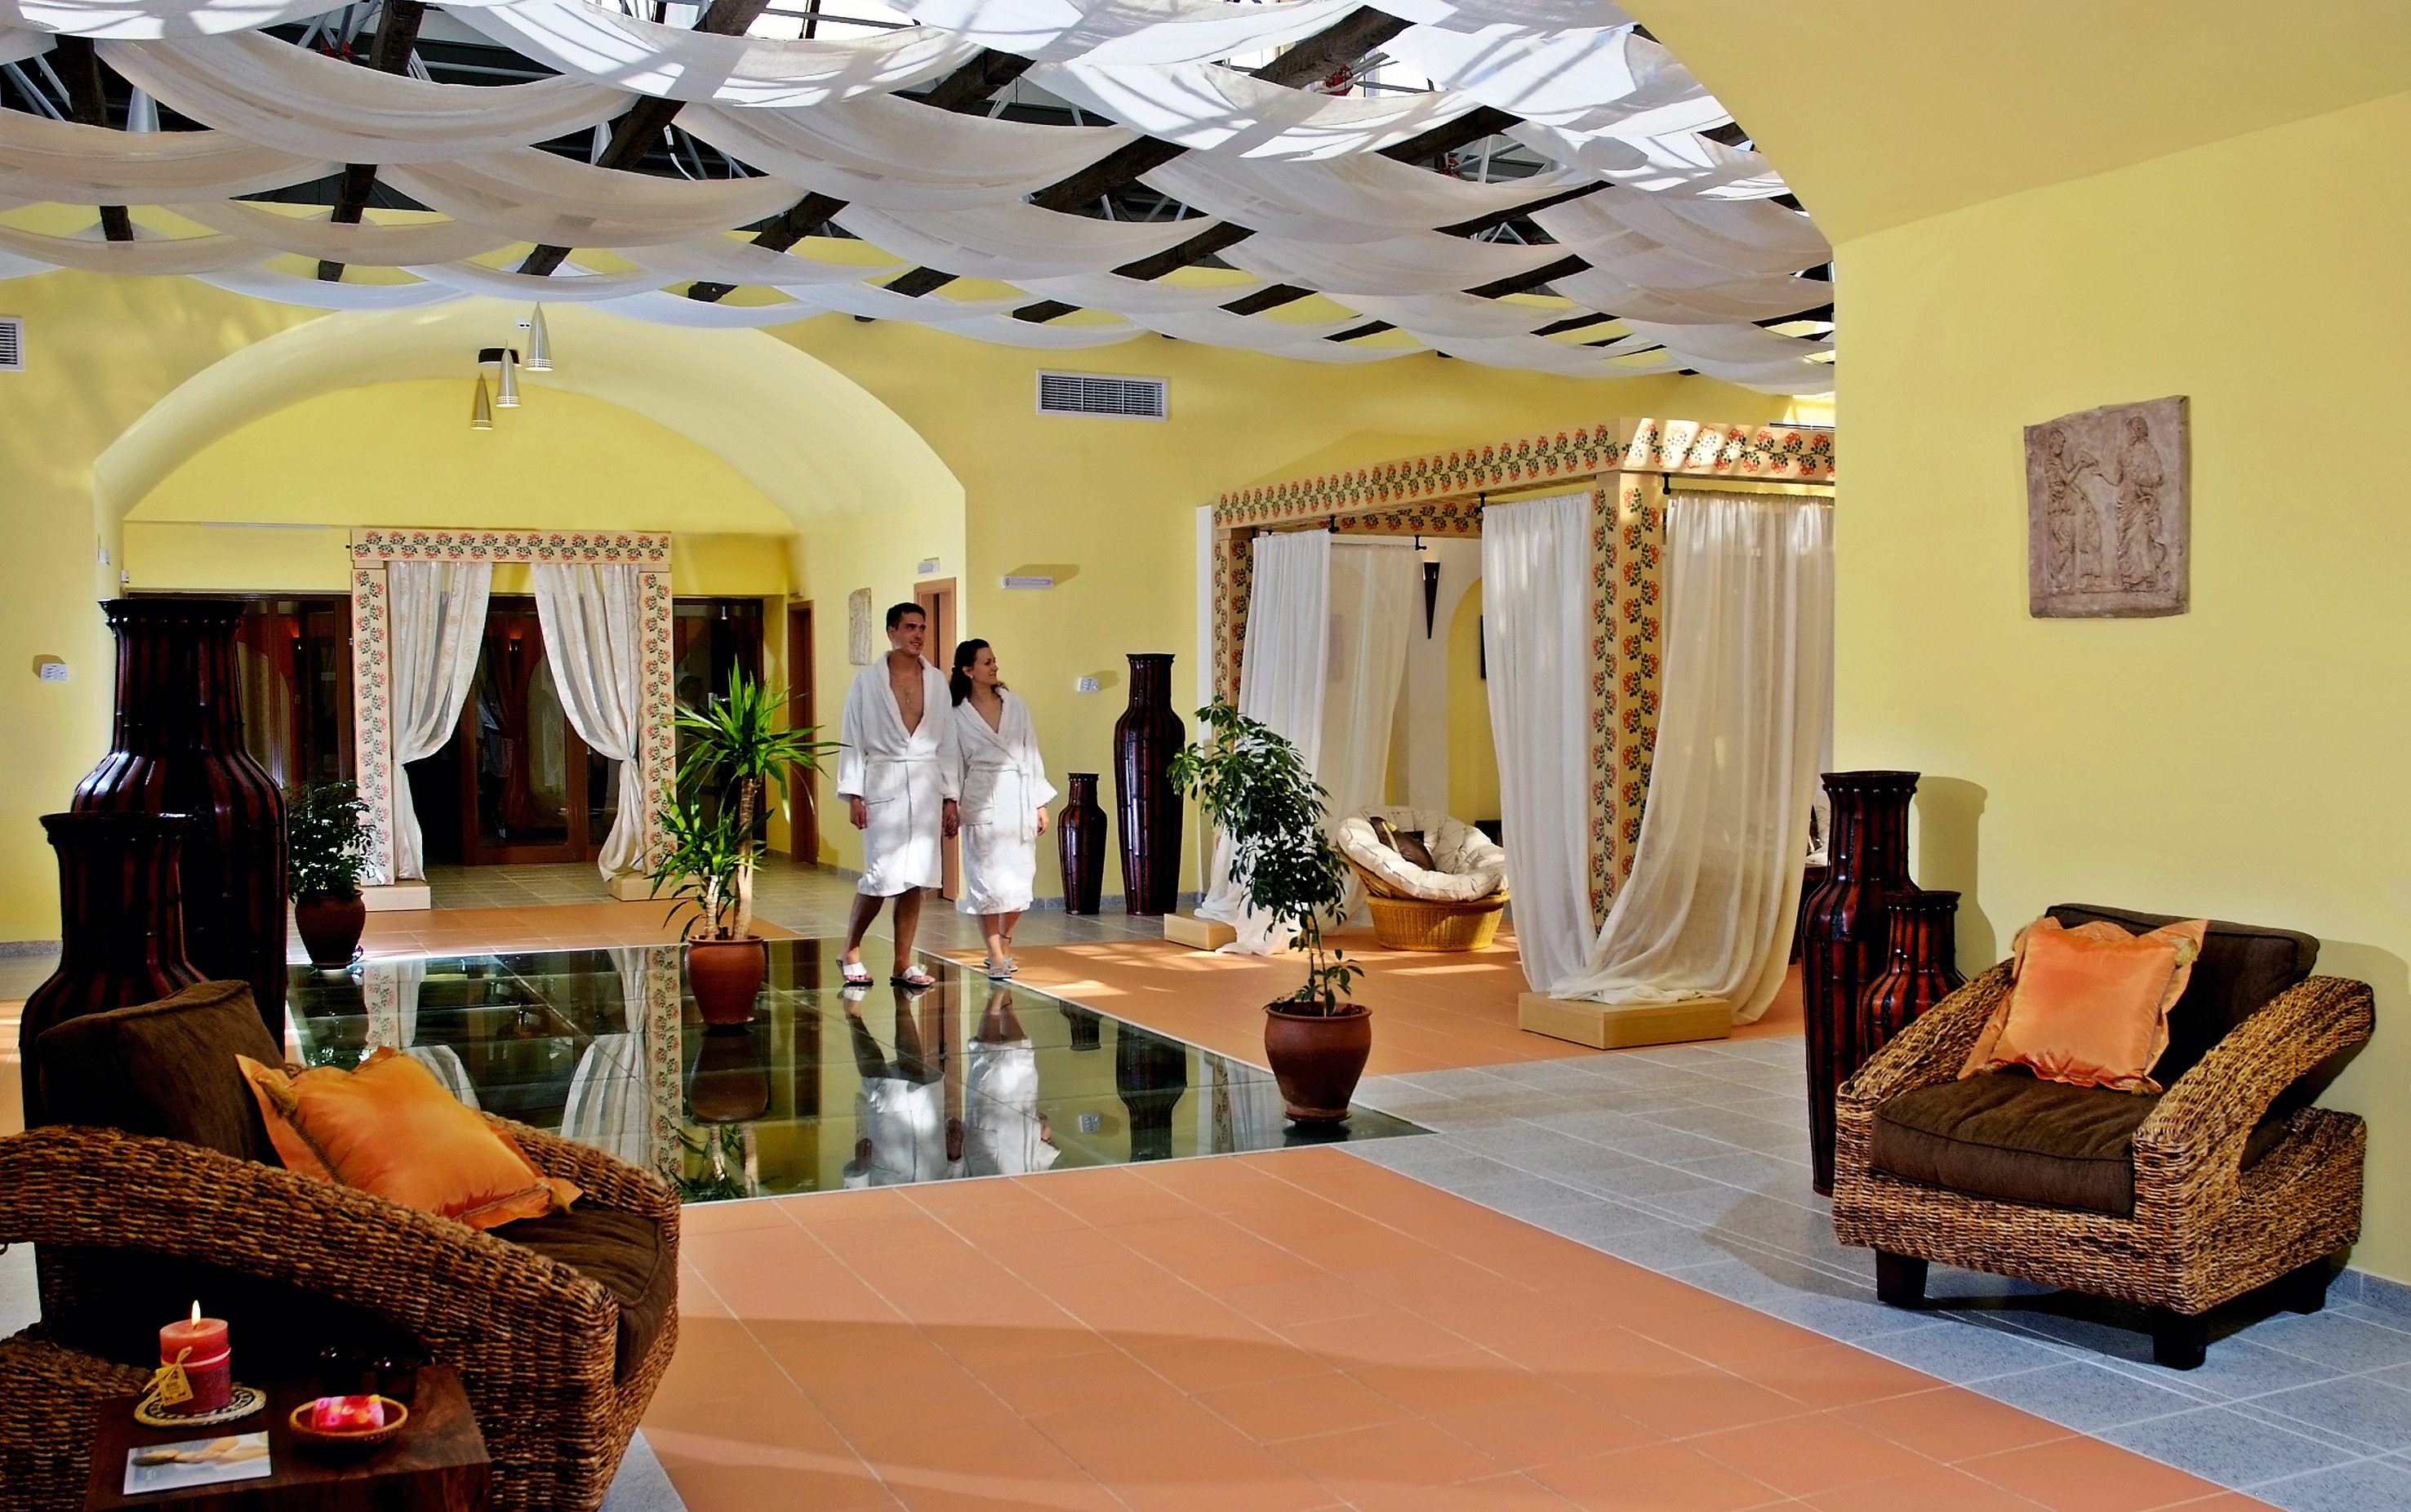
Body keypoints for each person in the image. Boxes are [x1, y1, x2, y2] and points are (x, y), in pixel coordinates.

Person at [836, 603, 959, 989]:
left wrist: (951, 797)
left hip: (925, 783)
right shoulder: (867, 682)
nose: (918, 635)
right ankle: (851, 950)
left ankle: (902, 962)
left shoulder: (937, 681)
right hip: (883, 782)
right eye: (910, 627)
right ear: (891, 631)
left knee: (916, 880)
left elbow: (948, 743)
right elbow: (852, 737)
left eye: (922, 627)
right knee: (880, 875)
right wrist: (854, 793)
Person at [950, 639, 1056, 980]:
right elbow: (952, 763)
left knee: (1018, 883)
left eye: (994, 660)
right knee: (987, 883)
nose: (994, 667)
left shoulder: (1016, 705)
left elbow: (1031, 752)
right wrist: (950, 802)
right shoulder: (956, 714)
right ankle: (995, 954)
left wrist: (1040, 802)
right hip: (981, 798)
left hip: (1019, 796)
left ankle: (1005, 941)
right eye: (986, 663)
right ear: (968, 671)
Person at [962, 985, 1061, 1178]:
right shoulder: (1033, 1192)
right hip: (1023, 1113)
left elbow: (957, 1171)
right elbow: (1043, 1160)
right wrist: (1045, 1136)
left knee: (989, 1057)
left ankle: (996, 990)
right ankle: (1002, 985)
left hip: (989, 1121)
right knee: (1020, 1052)